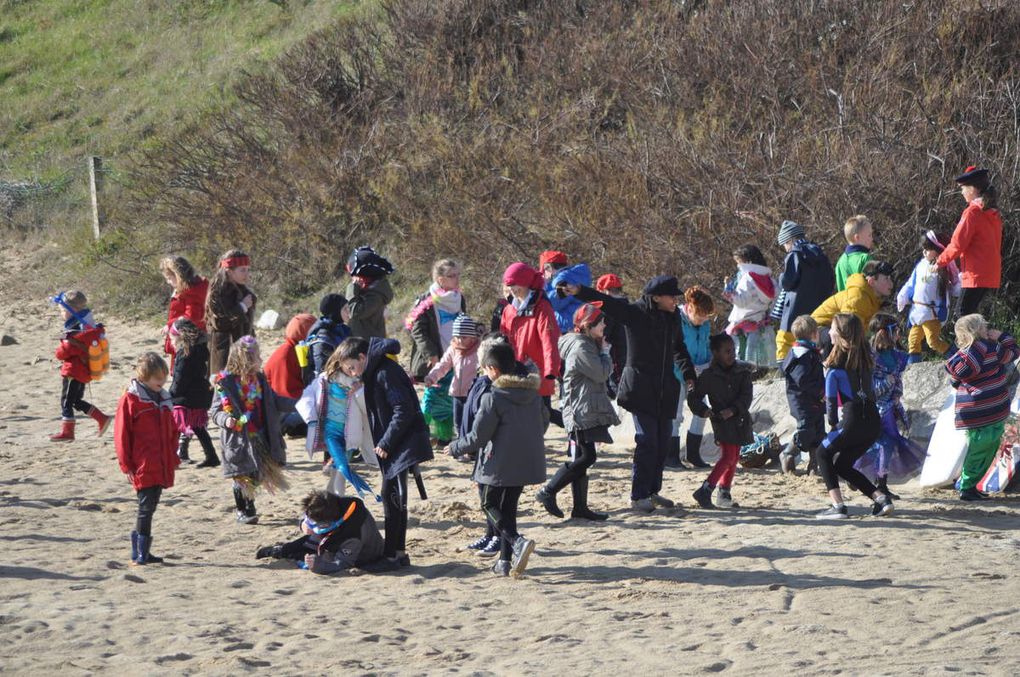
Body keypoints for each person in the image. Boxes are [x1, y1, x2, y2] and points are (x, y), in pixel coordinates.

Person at [560, 275, 696, 514]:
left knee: (663, 441)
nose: (676, 300)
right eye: (671, 296)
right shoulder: (635, 313)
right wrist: (578, 290)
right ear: (656, 297)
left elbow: (679, 348)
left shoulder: (673, 316)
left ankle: (653, 491)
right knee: (647, 440)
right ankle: (638, 495)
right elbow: (605, 301)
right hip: (640, 387)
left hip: (666, 387)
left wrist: (689, 375)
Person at [449, 342, 547, 577]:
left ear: (492, 369)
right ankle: (504, 562)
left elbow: (478, 436)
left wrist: (454, 447)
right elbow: (542, 424)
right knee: (509, 508)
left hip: (498, 463)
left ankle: (517, 541)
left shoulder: (493, 397)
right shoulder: (532, 393)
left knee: (488, 504)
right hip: (527, 460)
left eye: (484, 370)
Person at [335, 337, 433, 569]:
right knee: (395, 498)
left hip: (402, 442)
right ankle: (397, 552)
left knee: (393, 497)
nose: (352, 373)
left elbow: (403, 409)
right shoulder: (377, 369)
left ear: (362, 357)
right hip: (399, 441)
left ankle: (392, 555)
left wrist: (387, 442)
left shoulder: (384, 372)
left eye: (351, 367)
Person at [535, 304, 619, 521]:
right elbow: (600, 374)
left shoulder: (586, 343)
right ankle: (548, 491)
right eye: (600, 322)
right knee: (586, 456)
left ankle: (580, 508)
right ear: (588, 326)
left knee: (582, 456)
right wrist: (607, 352)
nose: (605, 325)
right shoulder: (582, 347)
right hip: (580, 408)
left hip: (584, 406)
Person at [814, 314, 895, 519]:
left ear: (840, 334)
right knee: (842, 465)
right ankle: (880, 498)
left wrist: (833, 426)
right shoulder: (867, 362)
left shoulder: (834, 370)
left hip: (852, 420)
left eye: (832, 328)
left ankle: (838, 506)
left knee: (822, 453)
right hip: (872, 422)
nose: (829, 332)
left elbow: (831, 405)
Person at [454, 333, 527, 559]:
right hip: (481, 448)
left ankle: (506, 539)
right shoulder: (483, 382)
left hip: (494, 451)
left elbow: (487, 423)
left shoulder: (499, 389)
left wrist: (460, 446)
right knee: (486, 495)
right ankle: (494, 537)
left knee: (493, 501)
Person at [212, 336, 295, 525]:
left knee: (257, 474)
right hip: (239, 440)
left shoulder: (259, 379)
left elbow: (274, 401)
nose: (261, 359)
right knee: (242, 476)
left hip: (261, 435)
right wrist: (226, 420)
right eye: (257, 356)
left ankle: (249, 505)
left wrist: (300, 404)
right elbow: (215, 411)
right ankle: (245, 510)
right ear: (245, 359)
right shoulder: (225, 383)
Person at [113, 352, 179, 565]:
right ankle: (140, 552)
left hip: (160, 461)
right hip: (142, 462)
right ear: (144, 377)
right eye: (157, 377)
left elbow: (172, 432)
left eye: (164, 376)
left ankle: (141, 551)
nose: (162, 381)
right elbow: (121, 435)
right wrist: (126, 465)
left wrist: (173, 456)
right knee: (146, 506)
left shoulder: (163, 398)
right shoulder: (132, 400)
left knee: (151, 505)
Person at [945, 314, 1019, 501]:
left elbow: (955, 379)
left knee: (979, 448)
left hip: (972, 411)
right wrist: (1002, 336)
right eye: (984, 325)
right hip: (991, 409)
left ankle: (968, 485)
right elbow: (1014, 353)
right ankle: (967, 487)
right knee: (984, 449)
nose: (987, 327)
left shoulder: (962, 354)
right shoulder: (991, 348)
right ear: (977, 329)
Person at [853, 314, 926, 498]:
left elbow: (898, 382)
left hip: (890, 409)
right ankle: (855, 473)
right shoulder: (870, 357)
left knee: (887, 445)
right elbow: (867, 389)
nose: (900, 335)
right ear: (887, 333)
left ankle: (880, 485)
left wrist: (896, 396)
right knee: (880, 444)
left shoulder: (897, 356)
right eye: (897, 331)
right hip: (872, 410)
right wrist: (887, 382)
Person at [296, 343, 380, 498]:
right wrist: (311, 418)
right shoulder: (325, 379)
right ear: (340, 360)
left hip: (350, 435)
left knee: (338, 472)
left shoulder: (360, 384)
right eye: (351, 368)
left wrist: (359, 392)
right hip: (331, 431)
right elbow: (306, 396)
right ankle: (338, 503)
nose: (354, 372)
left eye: (356, 368)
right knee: (342, 468)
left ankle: (329, 502)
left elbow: (366, 410)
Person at [688, 334, 754, 509]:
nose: (732, 354)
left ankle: (724, 492)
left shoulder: (743, 372)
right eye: (727, 351)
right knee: (728, 456)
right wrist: (704, 410)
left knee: (735, 457)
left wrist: (733, 410)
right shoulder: (709, 376)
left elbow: (747, 396)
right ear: (715, 353)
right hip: (721, 422)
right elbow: (694, 397)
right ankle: (705, 490)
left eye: (733, 350)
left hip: (739, 420)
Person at [255, 491, 384, 574]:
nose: (312, 525)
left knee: (309, 554)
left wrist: (319, 566)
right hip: (333, 534)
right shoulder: (332, 503)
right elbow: (309, 513)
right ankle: (280, 550)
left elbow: (342, 564)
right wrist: (303, 524)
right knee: (305, 542)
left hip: (358, 555)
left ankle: (297, 555)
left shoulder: (354, 536)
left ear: (329, 523)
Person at [501, 262, 562, 426]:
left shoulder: (541, 306)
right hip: (514, 370)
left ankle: (574, 429)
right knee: (520, 415)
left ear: (526, 282)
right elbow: (503, 338)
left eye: (515, 284)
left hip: (538, 370)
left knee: (542, 414)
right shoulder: (509, 308)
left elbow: (549, 339)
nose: (512, 289)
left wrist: (551, 370)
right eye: (509, 285)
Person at [937, 166, 1002, 316]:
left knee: (961, 318)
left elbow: (958, 244)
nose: (961, 192)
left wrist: (940, 261)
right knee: (972, 318)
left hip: (975, 274)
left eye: (963, 188)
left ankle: (995, 339)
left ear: (973, 189)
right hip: (990, 273)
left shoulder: (972, 212)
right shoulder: (993, 212)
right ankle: (984, 339)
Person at [50, 290, 111, 441]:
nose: (62, 314)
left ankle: (68, 432)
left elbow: (63, 352)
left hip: (73, 371)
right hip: (84, 371)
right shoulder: (88, 327)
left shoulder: (76, 331)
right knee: (76, 401)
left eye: (63, 311)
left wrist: (59, 351)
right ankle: (101, 418)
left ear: (73, 310)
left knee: (66, 401)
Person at [668, 286, 715, 469]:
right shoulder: (676, 319)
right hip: (676, 373)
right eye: (700, 315)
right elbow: (675, 349)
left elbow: (705, 345)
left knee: (702, 411)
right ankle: (671, 456)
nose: (703, 320)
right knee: (675, 415)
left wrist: (707, 364)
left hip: (699, 374)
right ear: (690, 307)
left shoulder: (704, 325)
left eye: (706, 317)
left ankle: (693, 454)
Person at [773, 220, 835, 361]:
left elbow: (788, 283)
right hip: (818, 305)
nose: (785, 248)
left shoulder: (794, 255)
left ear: (790, 240)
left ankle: (785, 364)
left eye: (784, 244)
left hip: (795, 308)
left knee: (784, 339)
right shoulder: (819, 253)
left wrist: (781, 277)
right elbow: (830, 279)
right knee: (813, 336)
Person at [897, 231, 961, 362]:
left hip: (933, 313)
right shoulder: (920, 265)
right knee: (913, 341)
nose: (924, 252)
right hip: (917, 312)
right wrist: (903, 295)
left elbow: (956, 284)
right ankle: (913, 367)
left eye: (927, 249)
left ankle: (956, 358)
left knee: (933, 341)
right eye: (923, 249)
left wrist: (959, 285)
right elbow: (911, 283)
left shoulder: (946, 265)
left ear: (937, 249)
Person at [167, 317, 219, 468]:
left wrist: (170, 396)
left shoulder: (184, 354)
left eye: (171, 338)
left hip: (185, 398)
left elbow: (180, 379)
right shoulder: (202, 349)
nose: (170, 341)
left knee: (175, 426)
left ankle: (174, 457)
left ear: (180, 337)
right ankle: (212, 456)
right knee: (198, 427)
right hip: (202, 395)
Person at [811, 260, 895, 351]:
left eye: (890, 278)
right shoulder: (858, 297)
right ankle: (831, 365)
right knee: (837, 340)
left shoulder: (874, 299)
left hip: (833, 328)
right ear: (871, 282)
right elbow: (848, 327)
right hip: (816, 329)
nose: (891, 283)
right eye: (886, 279)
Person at [778, 315, 825, 475]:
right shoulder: (800, 355)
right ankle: (788, 453)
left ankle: (814, 465)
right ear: (814, 334)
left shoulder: (810, 353)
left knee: (818, 433)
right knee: (806, 431)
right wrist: (821, 391)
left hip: (815, 401)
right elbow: (803, 380)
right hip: (803, 401)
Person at [406, 259, 467, 382]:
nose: (457, 279)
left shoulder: (459, 298)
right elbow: (417, 331)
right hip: (435, 360)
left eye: (457, 275)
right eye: (452, 276)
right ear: (440, 280)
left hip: (456, 357)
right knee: (434, 400)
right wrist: (431, 354)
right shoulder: (426, 301)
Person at [425, 314, 483, 439]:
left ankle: (470, 449)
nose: (460, 340)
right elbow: (443, 365)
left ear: (472, 337)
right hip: (457, 392)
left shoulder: (479, 350)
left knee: (471, 422)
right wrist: (431, 377)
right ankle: (461, 446)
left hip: (472, 393)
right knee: (458, 421)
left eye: (464, 337)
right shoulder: (453, 348)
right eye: (457, 336)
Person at [722, 244, 777, 367]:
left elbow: (741, 301)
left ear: (746, 261)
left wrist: (729, 290)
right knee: (759, 353)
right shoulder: (768, 279)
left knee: (741, 353)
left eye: (738, 262)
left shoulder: (747, 278)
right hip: (761, 321)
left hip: (743, 322)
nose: (737, 266)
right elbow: (774, 298)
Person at [263, 313, 316, 437]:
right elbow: (285, 393)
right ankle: (291, 426)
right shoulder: (286, 354)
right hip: (282, 410)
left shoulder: (297, 349)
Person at [205, 249, 256, 375]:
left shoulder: (245, 293)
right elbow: (220, 323)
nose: (247, 274)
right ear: (229, 271)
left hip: (243, 350)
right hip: (224, 351)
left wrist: (253, 345)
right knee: (224, 388)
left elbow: (248, 325)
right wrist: (242, 306)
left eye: (248, 269)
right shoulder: (217, 294)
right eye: (242, 270)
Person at [159, 256, 208, 366]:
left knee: (184, 375)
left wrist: (170, 325)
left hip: (189, 342)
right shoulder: (185, 289)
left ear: (177, 275)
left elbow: (191, 316)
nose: (168, 282)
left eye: (169, 278)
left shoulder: (192, 292)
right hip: (182, 339)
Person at [345, 246, 395, 340]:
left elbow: (354, 311)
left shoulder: (376, 295)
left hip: (369, 345)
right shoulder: (365, 290)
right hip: (361, 342)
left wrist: (353, 287)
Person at [595, 273, 628, 397]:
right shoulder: (628, 305)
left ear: (605, 291)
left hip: (614, 355)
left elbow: (603, 334)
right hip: (629, 355)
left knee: (617, 388)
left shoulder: (608, 309)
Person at [303, 293, 351, 378]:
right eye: (345, 309)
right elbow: (324, 373)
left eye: (348, 308)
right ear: (335, 313)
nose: (348, 312)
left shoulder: (342, 329)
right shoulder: (322, 340)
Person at [540, 250, 586, 335]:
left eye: (544, 270)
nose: (544, 274)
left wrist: (543, 287)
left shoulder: (563, 279)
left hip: (568, 330)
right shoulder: (574, 276)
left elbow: (551, 304)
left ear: (548, 267)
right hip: (576, 327)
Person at [834, 215, 874, 292]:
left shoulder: (840, 262)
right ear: (857, 237)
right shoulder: (865, 258)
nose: (872, 238)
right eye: (869, 235)